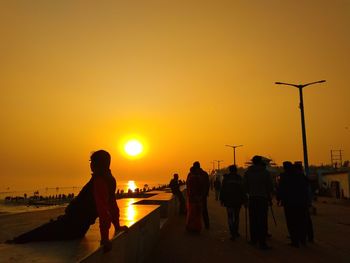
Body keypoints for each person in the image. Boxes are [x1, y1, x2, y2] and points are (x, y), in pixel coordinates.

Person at [6, 150, 128, 253]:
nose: (90, 165)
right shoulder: (110, 179)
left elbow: (103, 210)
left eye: (92, 162)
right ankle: (15, 240)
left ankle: (13, 242)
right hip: (76, 227)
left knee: (37, 234)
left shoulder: (100, 181)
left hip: (71, 226)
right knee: (43, 230)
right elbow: (112, 205)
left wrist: (105, 239)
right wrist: (117, 227)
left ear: (96, 164)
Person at [244, 155, 273, 250]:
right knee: (262, 220)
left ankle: (253, 240)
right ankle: (262, 242)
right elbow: (270, 187)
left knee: (253, 220)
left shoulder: (248, 173)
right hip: (262, 199)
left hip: (252, 198)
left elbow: (245, 187)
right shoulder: (265, 173)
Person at [277, 161, 309, 248]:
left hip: (289, 203)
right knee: (301, 221)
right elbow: (306, 187)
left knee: (291, 222)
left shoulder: (284, 176)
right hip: (301, 202)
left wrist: (278, 198)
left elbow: (281, 188)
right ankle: (302, 239)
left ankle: (295, 241)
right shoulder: (300, 175)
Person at [220, 165, 246, 240]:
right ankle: (236, 231)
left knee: (230, 216)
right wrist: (244, 200)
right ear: (236, 170)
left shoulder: (226, 178)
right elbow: (243, 190)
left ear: (229, 170)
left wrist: (222, 199)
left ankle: (232, 232)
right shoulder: (239, 178)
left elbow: (223, 190)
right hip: (238, 201)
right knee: (237, 216)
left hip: (228, 201)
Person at [186, 166, 204, 233]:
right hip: (198, 198)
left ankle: (191, 228)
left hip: (193, 199)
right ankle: (197, 228)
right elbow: (202, 188)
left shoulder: (191, 179)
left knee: (192, 213)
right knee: (198, 214)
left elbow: (189, 189)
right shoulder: (200, 178)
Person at [193, 161, 210, 229]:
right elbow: (208, 184)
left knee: (196, 211)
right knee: (204, 210)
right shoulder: (205, 174)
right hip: (203, 195)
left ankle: (196, 225)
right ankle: (206, 225)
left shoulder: (193, 174)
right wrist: (206, 193)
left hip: (196, 196)